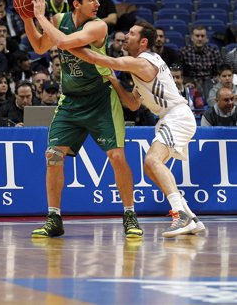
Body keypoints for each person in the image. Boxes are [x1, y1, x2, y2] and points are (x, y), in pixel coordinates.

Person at [20, 0, 143, 238]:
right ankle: (54, 218)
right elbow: (40, 47)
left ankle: (130, 214)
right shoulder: (59, 18)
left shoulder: (99, 26)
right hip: (72, 101)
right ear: (77, 4)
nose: (98, 4)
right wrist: (27, 19)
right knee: (53, 155)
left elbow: (63, 43)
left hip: (101, 98)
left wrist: (39, 16)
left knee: (117, 157)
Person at [66, 19, 205, 238]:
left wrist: (67, 44)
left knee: (152, 161)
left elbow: (98, 58)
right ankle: (191, 217)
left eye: (131, 33)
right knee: (151, 167)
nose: (126, 36)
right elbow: (133, 103)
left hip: (177, 116)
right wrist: (114, 81)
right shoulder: (140, 66)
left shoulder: (143, 62)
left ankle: (181, 215)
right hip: (171, 117)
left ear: (143, 42)